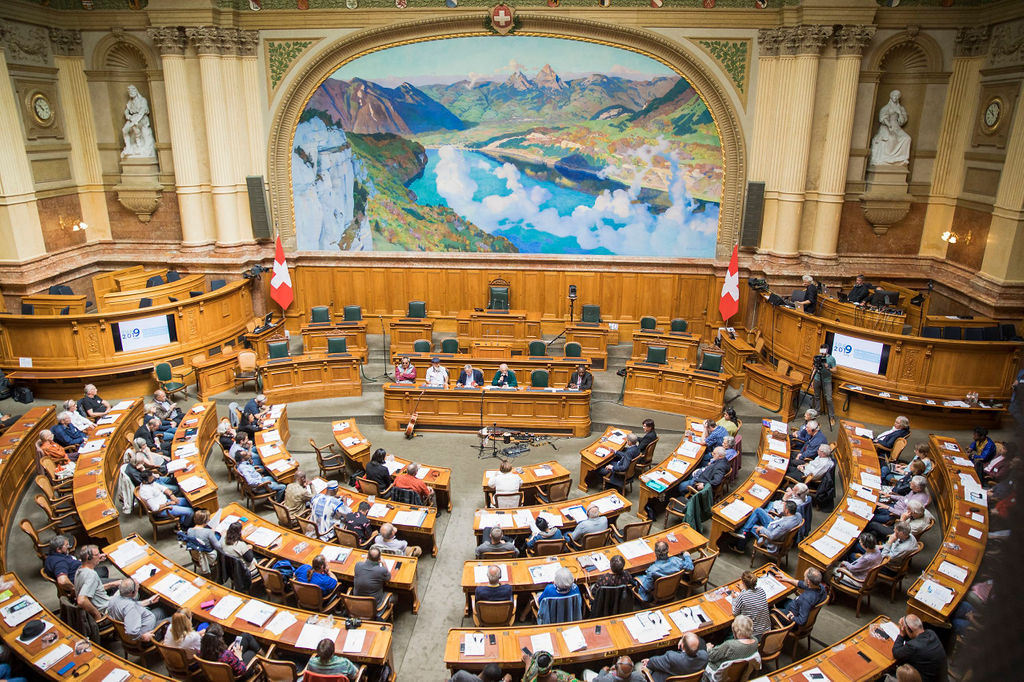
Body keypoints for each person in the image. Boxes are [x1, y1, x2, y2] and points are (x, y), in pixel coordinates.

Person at [106, 578, 169, 643]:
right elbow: (131, 631)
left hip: (138, 622)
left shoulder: (114, 599)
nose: (138, 588)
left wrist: (149, 601)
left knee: (161, 611)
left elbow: (129, 605)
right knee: (172, 619)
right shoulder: (131, 608)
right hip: (147, 635)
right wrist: (143, 637)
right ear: (132, 592)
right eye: (137, 588)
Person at [729, 499, 802, 554]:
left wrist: (762, 528)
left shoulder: (784, 525)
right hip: (774, 525)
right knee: (758, 510)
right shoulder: (798, 515)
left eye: (783, 507)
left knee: (752, 526)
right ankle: (743, 532)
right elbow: (782, 520)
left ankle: (740, 546)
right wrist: (775, 519)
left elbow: (772, 536)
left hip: (770, 539)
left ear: (786, 511)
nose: (782, 508)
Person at [702, 615, 759, 681]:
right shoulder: (755, 641)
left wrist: (708, 648)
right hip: (739, 672)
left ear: (735, 631)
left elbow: (711, 656)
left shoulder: (730, 645)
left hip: (720, 672)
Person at [891, 614, 946, 682]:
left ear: (909, 630)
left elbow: (896, 653)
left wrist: (901, 634)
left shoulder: (913, 646)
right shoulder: (931, 633)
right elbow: (912, 637)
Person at [74, 545, 120, 619]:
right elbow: (81, 600)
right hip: (107, 609)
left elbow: (95, 589)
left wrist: (113, 584)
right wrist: (97, 615)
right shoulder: (91, 575)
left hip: (102, 603)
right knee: (133, 586)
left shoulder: (80, 569)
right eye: (97, 554)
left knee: (121, 584)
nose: (99, 556)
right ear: (88, 557)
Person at [640, 632, 708, 682]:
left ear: (682, 645)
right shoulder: (704, 656)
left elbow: (653, 663)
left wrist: (648, 661)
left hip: (662, 679)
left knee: (638, 665)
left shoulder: (673, 658)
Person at [871, 89, 911, 166]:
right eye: (894, 96)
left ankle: (902, 159)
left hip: (897, 127)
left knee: (907, 138)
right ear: (891, 96)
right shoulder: (886, 107)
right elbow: (883, 118)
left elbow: (902, 121)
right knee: (891, 139)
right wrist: (889, 126)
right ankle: (887, 159)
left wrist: (900, 114)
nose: (895, 97)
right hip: (887, 126)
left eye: (897, 96)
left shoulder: (901, 108)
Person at [353, 546, 393, 617]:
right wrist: (384, 563)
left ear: (367, 556)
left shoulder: (358, 565)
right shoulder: (381, 570)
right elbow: (388, 577)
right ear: (379, 559)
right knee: (395, 596)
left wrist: (366, 560)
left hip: (357, 601)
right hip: (374, 605)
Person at [731, 571, 771, 640]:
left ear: (743, 583)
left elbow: (735, 613)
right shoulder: (761, 591)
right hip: (767, 632)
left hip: (753, 635)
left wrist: (734, 599)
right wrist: (743, 590)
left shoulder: (742, 596)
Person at [809, 345, 836, 420]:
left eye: (824, 349)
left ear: (827, 350)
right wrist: (811, 380)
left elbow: (835, 370)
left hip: (827, 381)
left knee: (829, 398)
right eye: (822, 349)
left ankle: (831, 416)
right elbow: (814, 368)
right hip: (817, 379)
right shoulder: (817, 357)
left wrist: (828, 368)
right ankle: (817, 411)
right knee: (817, 396)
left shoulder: (831, 359)